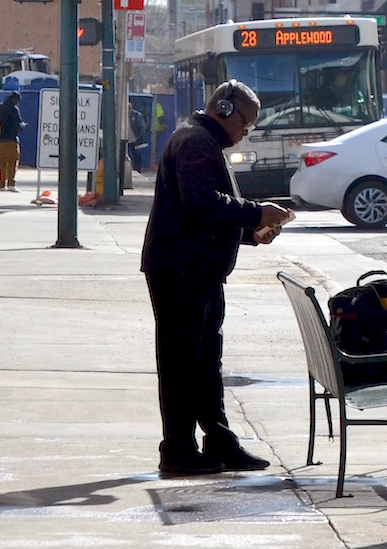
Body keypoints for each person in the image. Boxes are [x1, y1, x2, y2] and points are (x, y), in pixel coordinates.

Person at [141, 79, 292, 476]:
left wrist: (250, 231)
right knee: (182, 364)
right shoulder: (194, 143)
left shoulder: (204, 143)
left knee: (205, 362)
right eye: (247, 124)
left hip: (199, 270)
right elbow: (203, 204)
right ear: (225, 111)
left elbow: (210, 210)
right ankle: (178, 449)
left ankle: (219, 441)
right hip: (180, 271)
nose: (247, 133)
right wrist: (255, 213)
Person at [0, 91, 24, 191]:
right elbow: (17, 124)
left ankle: (1, 184)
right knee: (12, 161)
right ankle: (11, 184)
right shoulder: (13, 109)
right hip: (11, 139)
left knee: (2, 162)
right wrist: (22, 126)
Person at [127, 102, 149, 173]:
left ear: (131, 108)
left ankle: (138, 169)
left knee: (136, 154)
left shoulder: (137, 115)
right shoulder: (122, 116)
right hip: (126, 139)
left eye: (128, 109)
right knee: (124, 154)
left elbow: (142, 127)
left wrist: (140, 137)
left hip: (135, 139)